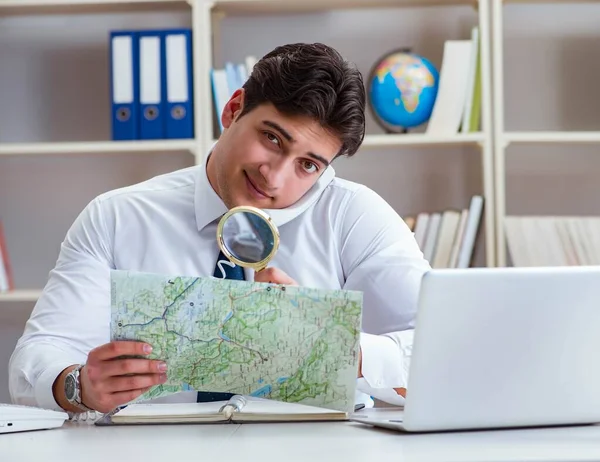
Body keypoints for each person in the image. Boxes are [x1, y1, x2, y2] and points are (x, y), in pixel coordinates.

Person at [9, 42, 431, 415]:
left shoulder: (356, 216)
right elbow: (37, 358)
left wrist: (339, 346)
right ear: (233, 109)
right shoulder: (117, 217)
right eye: (272, 139)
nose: (275, 178)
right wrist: (79, 385)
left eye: (308, 165)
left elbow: (439, 348)